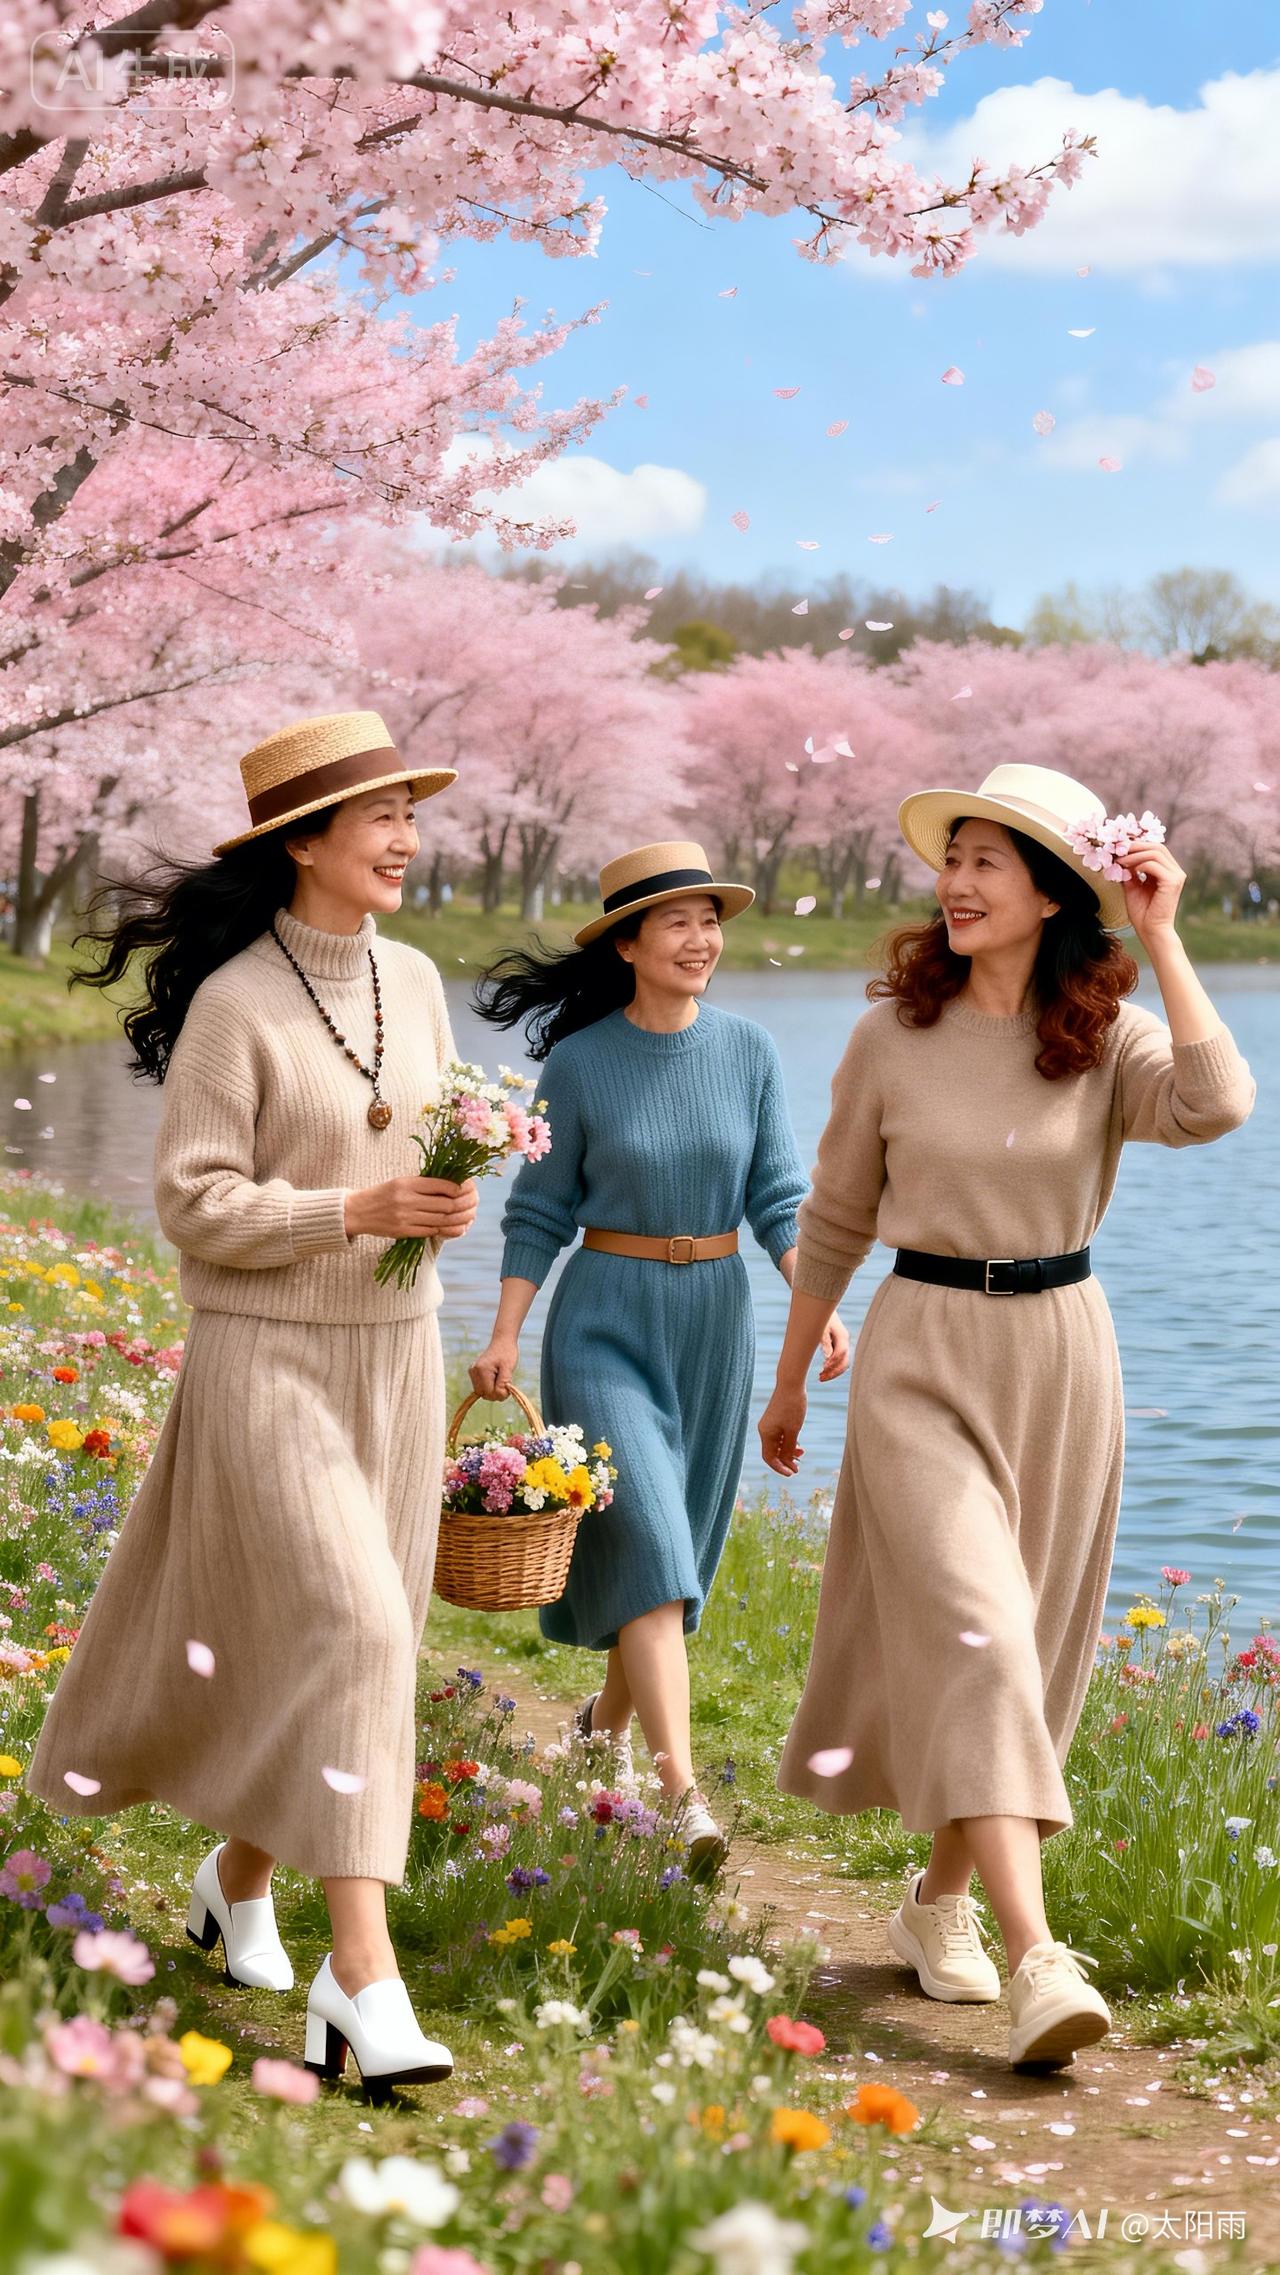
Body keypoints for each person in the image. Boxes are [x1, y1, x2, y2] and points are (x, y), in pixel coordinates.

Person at [761, 764, 1254, 2070]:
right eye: (953, 857)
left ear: (1050, 895)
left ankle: (938, 1900)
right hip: (920, 1350)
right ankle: (1040, 1957)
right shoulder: (890, 1036)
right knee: (977, 1632)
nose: (957, 882)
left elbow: (1217, 1103)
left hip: (1060, 1357)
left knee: (1016, 1650)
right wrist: (791, 1372)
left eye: (988, 861)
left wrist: (1161, 935)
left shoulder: (1104, 1036)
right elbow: (835, 1216)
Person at [27, 711, 478, 2094]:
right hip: (267, 1358)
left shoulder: (415, 977)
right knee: (354, 1625)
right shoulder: (235, 1002)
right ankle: (363, 1977)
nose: (405, 837)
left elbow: (428, 1133)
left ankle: (235, 1885)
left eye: (409, 812)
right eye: (379, 816)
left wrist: (449, 1188)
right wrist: (353, 1208)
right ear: (303, 841)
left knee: (362, 1646)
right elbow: (193, 1201)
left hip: (397, 1358)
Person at [470, 841, 848, 1870]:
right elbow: (538, 1209)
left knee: (669, 1559)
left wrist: (812, 1300)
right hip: (603, 1319)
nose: (699, 938)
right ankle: (681, 1794)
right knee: (648, 1538)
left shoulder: (749, 1051)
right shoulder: (580, 1062)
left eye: (709, 920)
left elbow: (778, 1195)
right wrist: (504, 1330)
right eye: (675, 921)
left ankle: (601, 1730)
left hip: (715, 1323)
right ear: (627, 944)